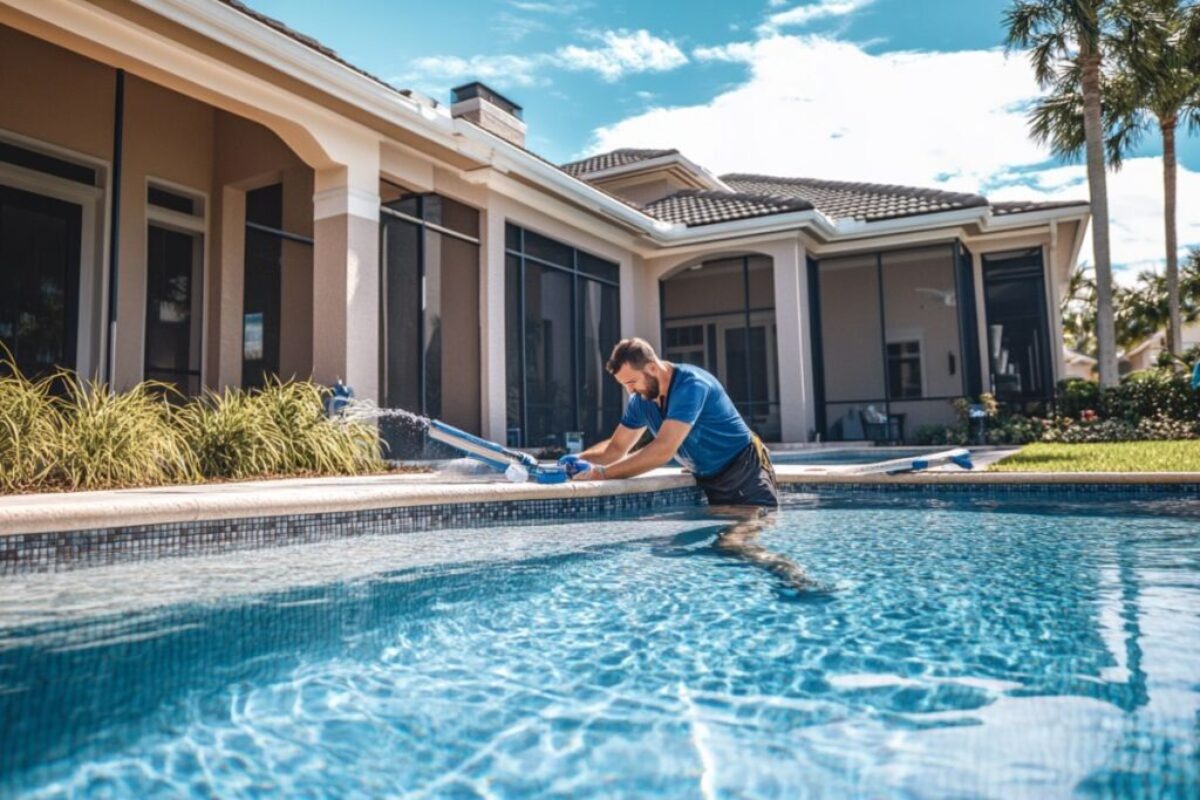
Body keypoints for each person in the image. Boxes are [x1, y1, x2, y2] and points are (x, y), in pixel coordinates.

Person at [575, 338, 815, 589]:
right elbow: (615, 449)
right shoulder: (641, 401)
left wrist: (602, 474)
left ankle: (798, 581)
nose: (630, 392)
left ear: (653, 368)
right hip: (709, 480)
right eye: (625, 386)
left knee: (732, 545)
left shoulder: (691, 385)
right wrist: (573, 463)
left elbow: (662, 451)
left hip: (745, 474)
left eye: (632, 383)